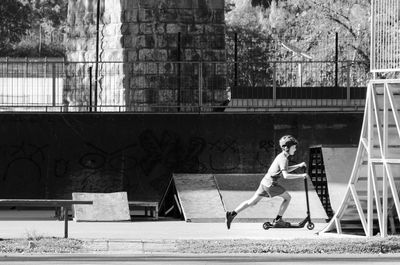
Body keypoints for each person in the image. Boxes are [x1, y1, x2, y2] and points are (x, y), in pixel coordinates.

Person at [225, 135, 308, 229]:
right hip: (270, 184)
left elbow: (285, 169)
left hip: (264, 182)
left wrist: (299, 165)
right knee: (287, 198)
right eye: (294, 147)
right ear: (286, 148)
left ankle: (231, 214)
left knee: (252, 202)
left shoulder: (281, 156)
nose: (295, 149)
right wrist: (301, 175)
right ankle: (278, 219)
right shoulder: (283, 158)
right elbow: (286, 175)